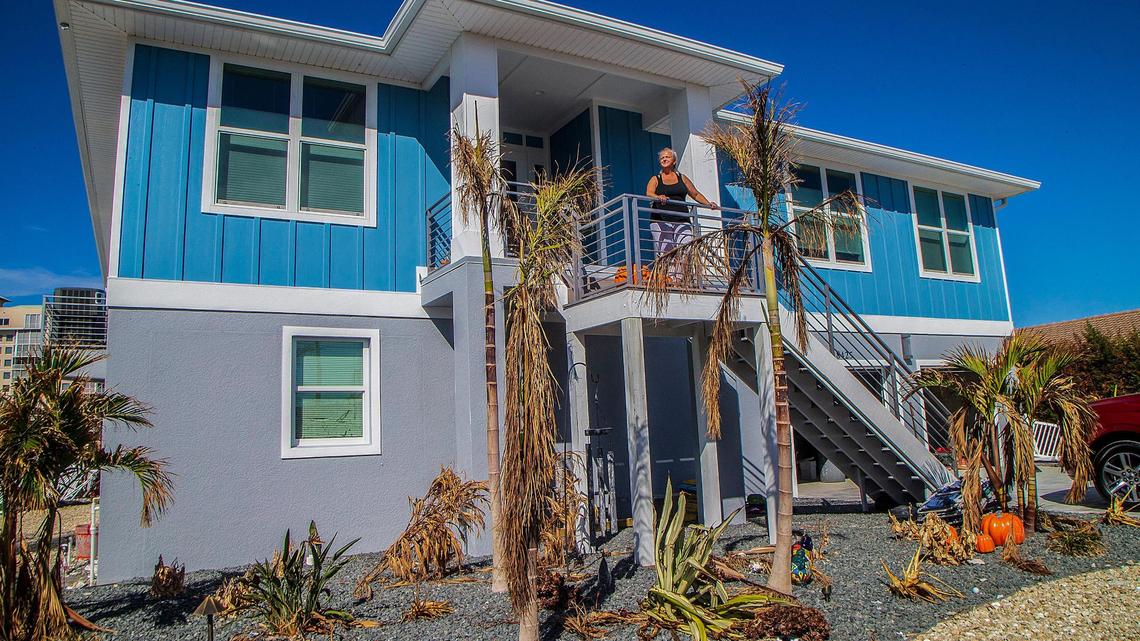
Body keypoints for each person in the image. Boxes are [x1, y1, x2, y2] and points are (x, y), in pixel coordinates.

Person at [645, 148, 718, 262]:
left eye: (667, 157)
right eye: (662, 158)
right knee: (667, 250)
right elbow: (649, 193)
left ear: (674, 161)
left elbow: (695, 194)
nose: (664, 159)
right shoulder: (655, 179)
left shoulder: (682, 178)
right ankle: (670, 277)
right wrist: (658, 197)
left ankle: (680, 278)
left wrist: (708, 204)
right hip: (660, 219)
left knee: (685, 248)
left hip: (681, 218)